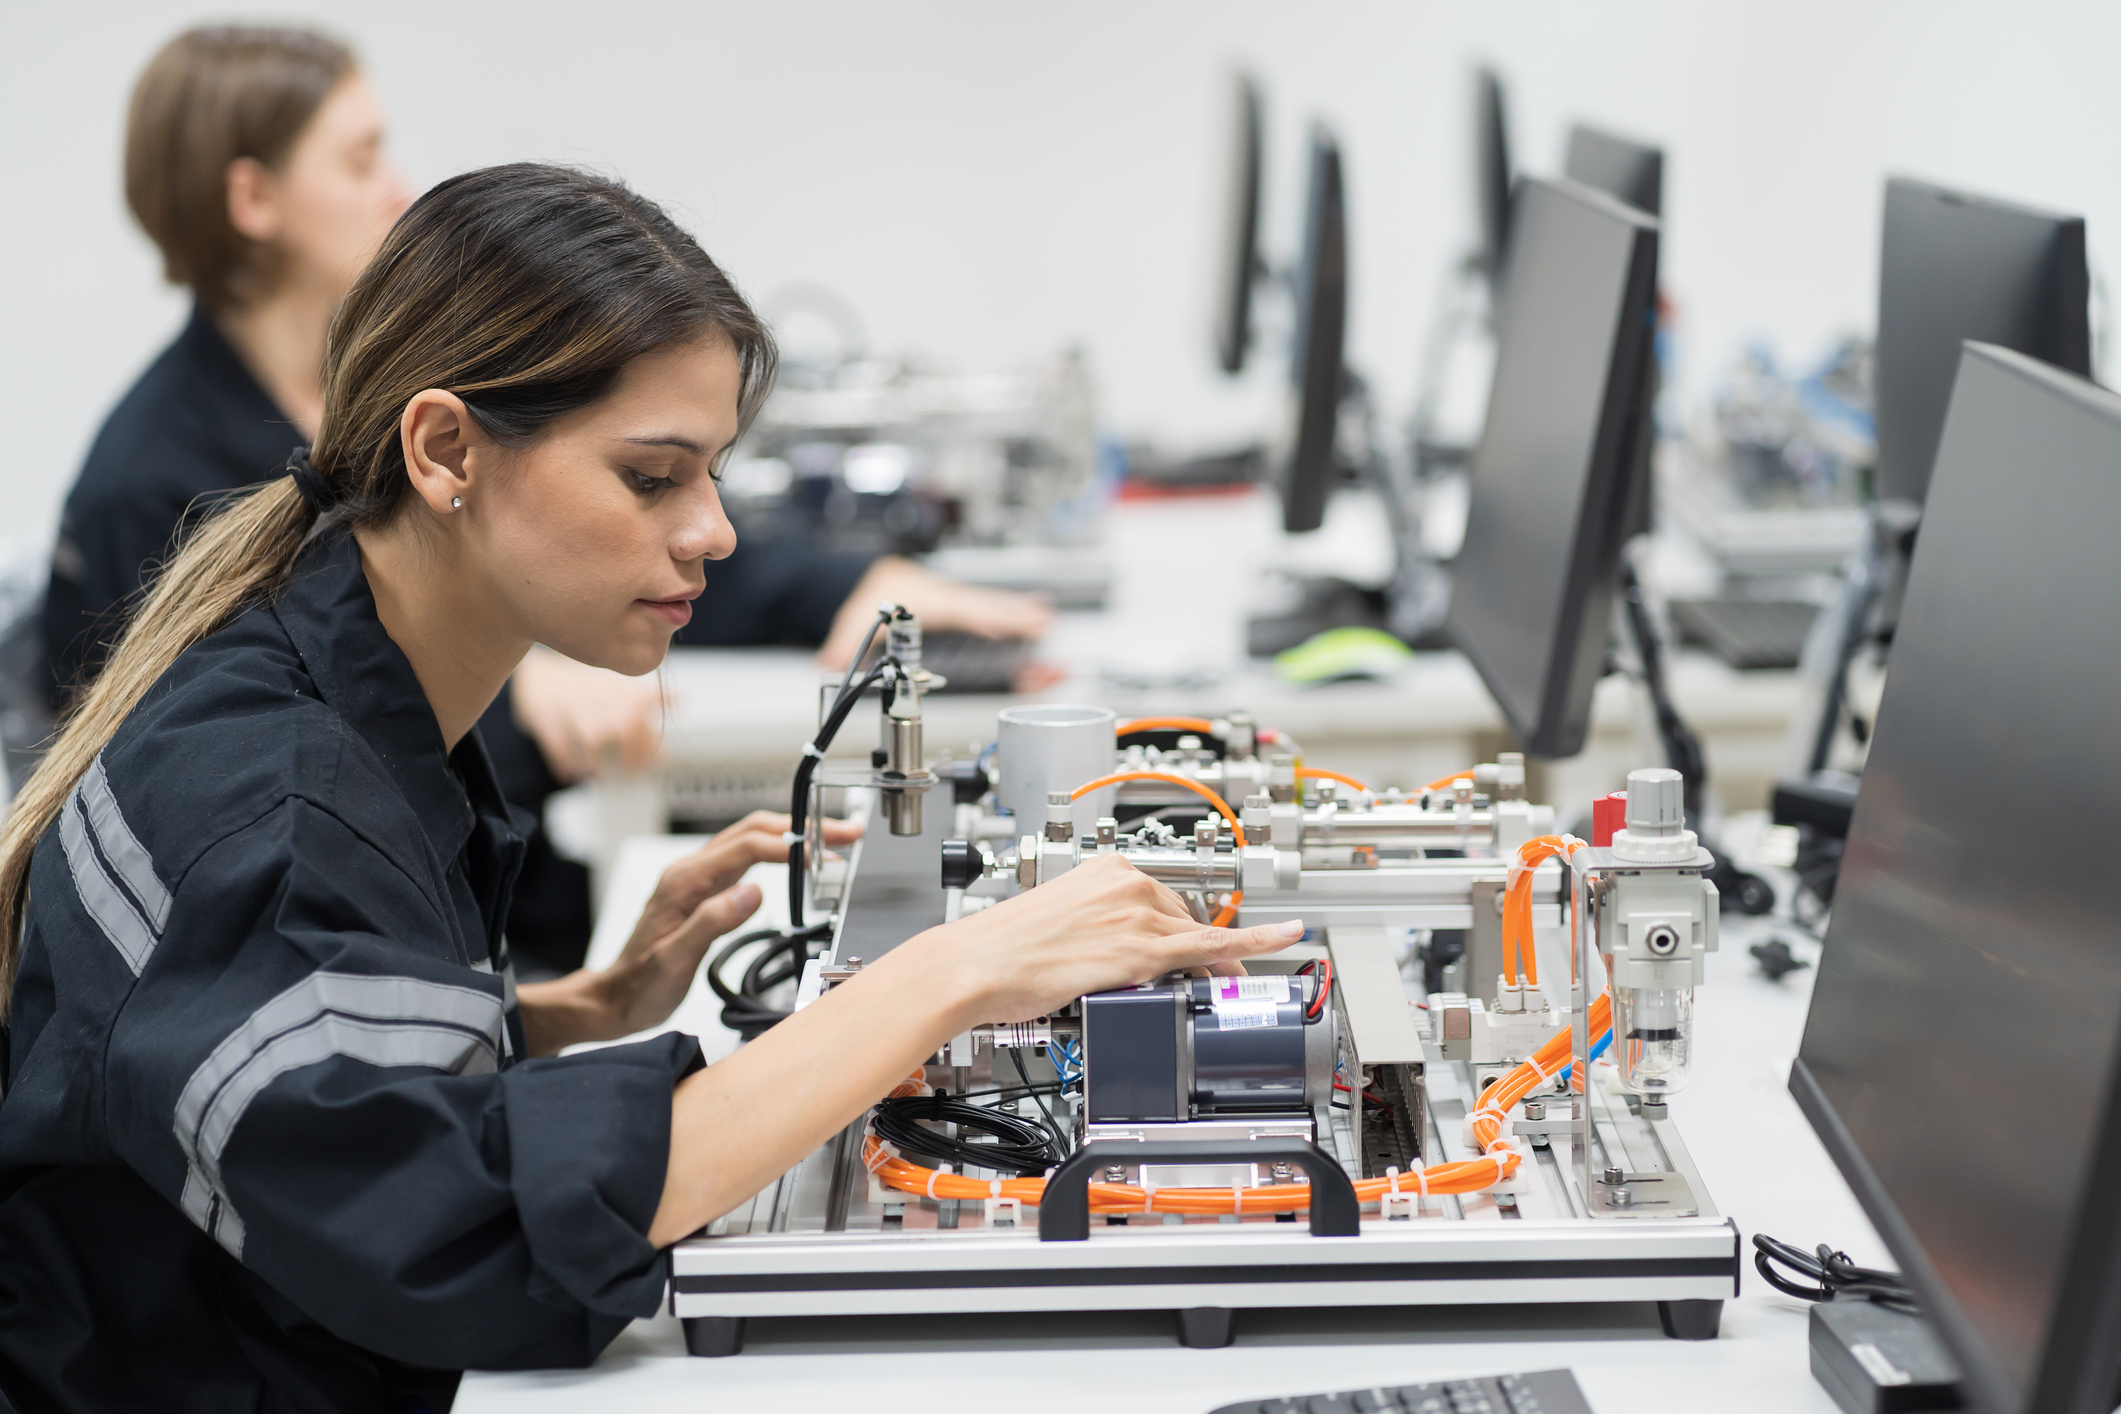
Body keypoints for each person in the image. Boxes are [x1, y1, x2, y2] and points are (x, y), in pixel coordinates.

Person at [0, 164, 1295, 1408]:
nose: (714, 530)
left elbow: (320, 1081)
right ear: (446, 449)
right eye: (651, 475)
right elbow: (465, 1232)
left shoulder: (335, 670)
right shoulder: (275, 801)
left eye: (712, 472)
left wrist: (572, 1009)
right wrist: (948, 974)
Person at [44, 24, 1053, 975]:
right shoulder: (163, 490)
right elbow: (422, 1142)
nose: (395, 190)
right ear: (253, 199)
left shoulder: (343, 410)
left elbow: (602, 515)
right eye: (358, 162)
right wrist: (936, 984)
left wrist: (844, 583)